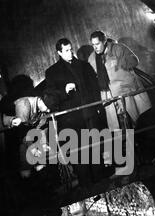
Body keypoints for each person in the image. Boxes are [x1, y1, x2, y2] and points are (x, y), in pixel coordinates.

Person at [44, 38, 108, 187]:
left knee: (95, 148)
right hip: (71, 120)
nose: (70, 53)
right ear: (59, 52)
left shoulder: (85, 66)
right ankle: (86, 184)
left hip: (90, 114)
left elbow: (94, 88)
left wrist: (96, 107)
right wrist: (64, 91)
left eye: (71, 49)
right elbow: (51, 98)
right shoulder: (52, 72)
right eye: (66, 51)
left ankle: (100, 180)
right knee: (78, 153)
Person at [88, 30, 152, 129]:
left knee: (135, 122)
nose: (95, 47)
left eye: (97, 44)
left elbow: (134, 61)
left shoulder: (118, 49)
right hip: (109, 96)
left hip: (126, 91)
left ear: (104, 41)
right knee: (119, 126)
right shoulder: (92, 58)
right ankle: (128, 143)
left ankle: (138, 141)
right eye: (93, 45)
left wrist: (122, 62)